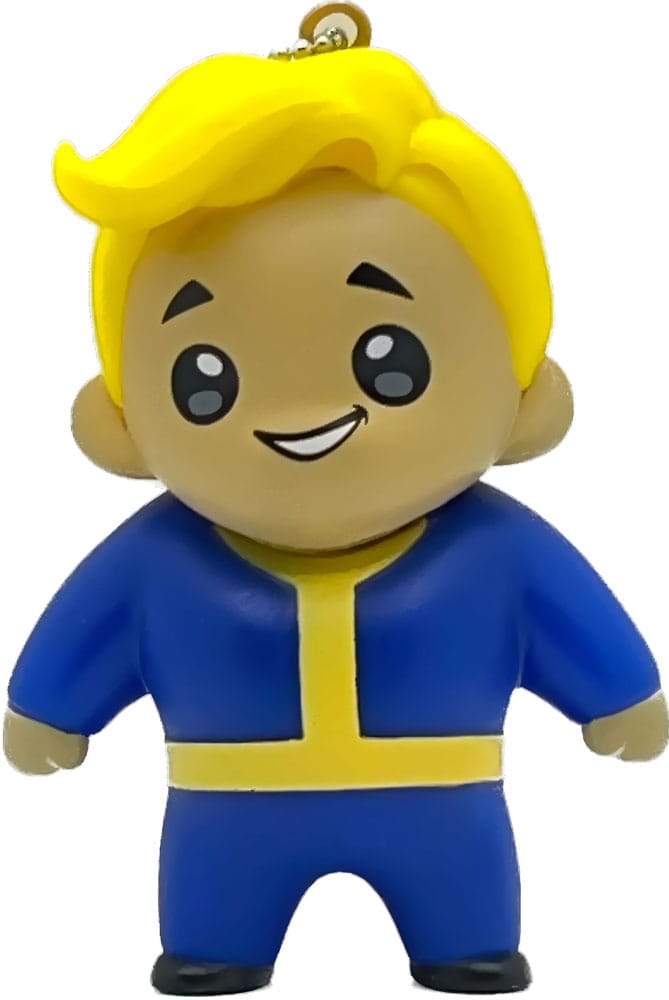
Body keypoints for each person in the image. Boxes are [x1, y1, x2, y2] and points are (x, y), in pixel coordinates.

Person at [4, 4, 667, 995]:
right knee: (214, 924)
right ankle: (217, 948)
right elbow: (84, 635)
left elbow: (577, 624)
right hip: (226, 817)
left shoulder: (497, 552)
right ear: (123, 422)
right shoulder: (158, 562)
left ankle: (466, 945)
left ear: (523, 392)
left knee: (465, 916)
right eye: (206, 380)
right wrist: (52, 706)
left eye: (387, 360)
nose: (301, 418)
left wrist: (618, 695)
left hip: (443, 810)